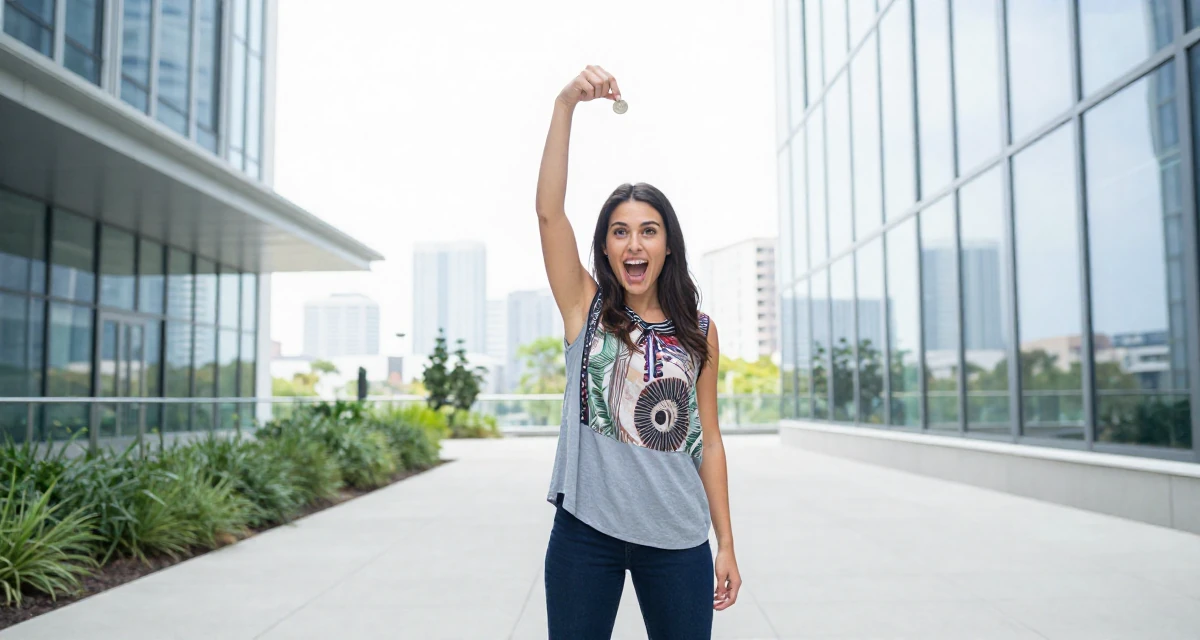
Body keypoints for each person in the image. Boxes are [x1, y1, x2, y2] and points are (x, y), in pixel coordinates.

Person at [536, 64, 742, 640]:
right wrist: (564, 105)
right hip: (585, 535)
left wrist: (726, 542)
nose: (634, 242)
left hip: (677, 535)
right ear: (605, 244)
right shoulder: (586, 307)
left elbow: (709, 438)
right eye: (620, 230)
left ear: (667, 244)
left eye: (648, 230)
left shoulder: (699, 329)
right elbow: (549, 214)